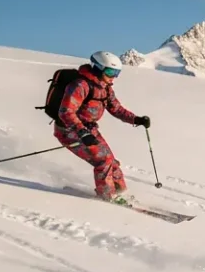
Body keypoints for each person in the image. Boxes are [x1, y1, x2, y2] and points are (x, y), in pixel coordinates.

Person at [54, 51, 150, 202]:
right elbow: (65, 111)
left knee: (112, 162)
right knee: (103, 161)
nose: (114, 76)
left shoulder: (105, 88)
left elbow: (116, 109)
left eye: (117, 72)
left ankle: (121, 193)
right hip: (69, 130)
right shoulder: (80, 85)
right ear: (98, 68)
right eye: (111, 71)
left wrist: (136, 119)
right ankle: (108, 195)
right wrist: (82, 133)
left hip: (90, 130)